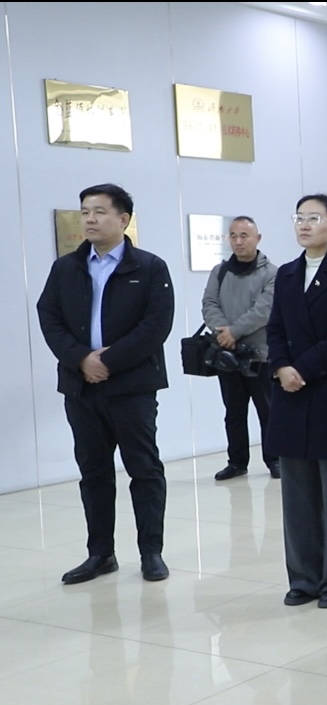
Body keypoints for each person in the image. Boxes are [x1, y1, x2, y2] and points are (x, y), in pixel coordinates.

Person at [36, 183, 175, 585]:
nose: (90, 219)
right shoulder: (66, 267)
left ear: (123, 219)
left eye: (99, 212)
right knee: (93, 472)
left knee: (144, 469)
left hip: (131, 386)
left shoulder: (149, 267)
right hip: (81, 386)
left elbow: (156, 325)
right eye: (85, 212)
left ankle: (151, 552)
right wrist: (81, 358)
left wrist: (107, 361)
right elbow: (49, 316)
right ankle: (100, 554)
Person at [265, 194, 327, 609]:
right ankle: (304, 578)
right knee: (297, 494)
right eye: (299, 218)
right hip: (288, 393)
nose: (304, 225)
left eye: (314, 218)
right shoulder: (287, 274)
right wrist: (280, 366)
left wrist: (302, 368)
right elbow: (274, 329)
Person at [202, 216, 279, 482]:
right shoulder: (220, 271)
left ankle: (275, 459)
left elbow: (264, 310)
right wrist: (223, 331)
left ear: (258, 238)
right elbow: (209, 303)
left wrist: (233, 332)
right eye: (233, 236)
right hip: (227, 355)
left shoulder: (272, 273)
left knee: (267, 410)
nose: (238, 241)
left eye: (244, 235)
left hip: (260, 355)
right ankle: (236, 462)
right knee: (233, 412)